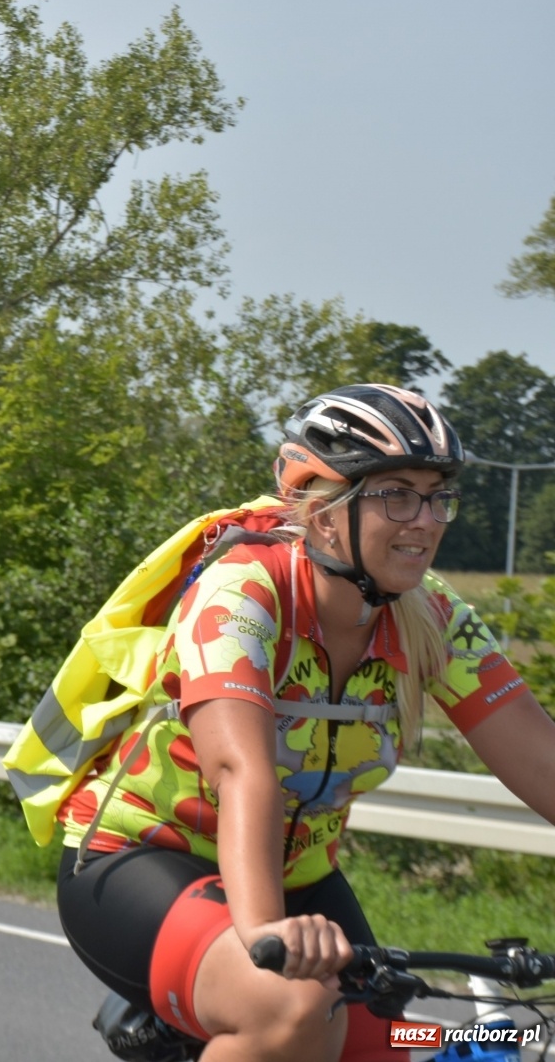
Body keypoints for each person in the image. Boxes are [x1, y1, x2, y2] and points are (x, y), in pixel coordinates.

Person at [54, 384, 555, 1061]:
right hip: (144, 860)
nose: (426, 520)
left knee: (403, 1046)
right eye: (396, 494)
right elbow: (242, 770)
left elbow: (541, 759)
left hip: (300, 880)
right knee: (291, 1009)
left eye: (438, 495)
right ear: (324, 515)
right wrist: (264, 929)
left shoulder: (430, 617)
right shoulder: (242, 592)